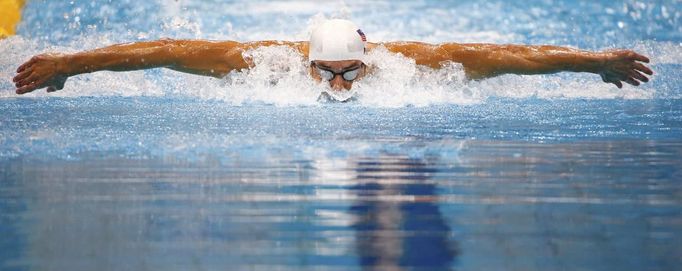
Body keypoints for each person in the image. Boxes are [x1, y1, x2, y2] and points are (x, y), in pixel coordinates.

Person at [13, 19, 653, 96]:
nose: (342, 84)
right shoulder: (265, 61)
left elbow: (514, 56)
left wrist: (593, 60)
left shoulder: (418, 60)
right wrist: (72, 63)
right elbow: (161, 51)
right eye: (329, 72)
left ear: (371, 55)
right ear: (308, 60)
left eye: (352, 70)